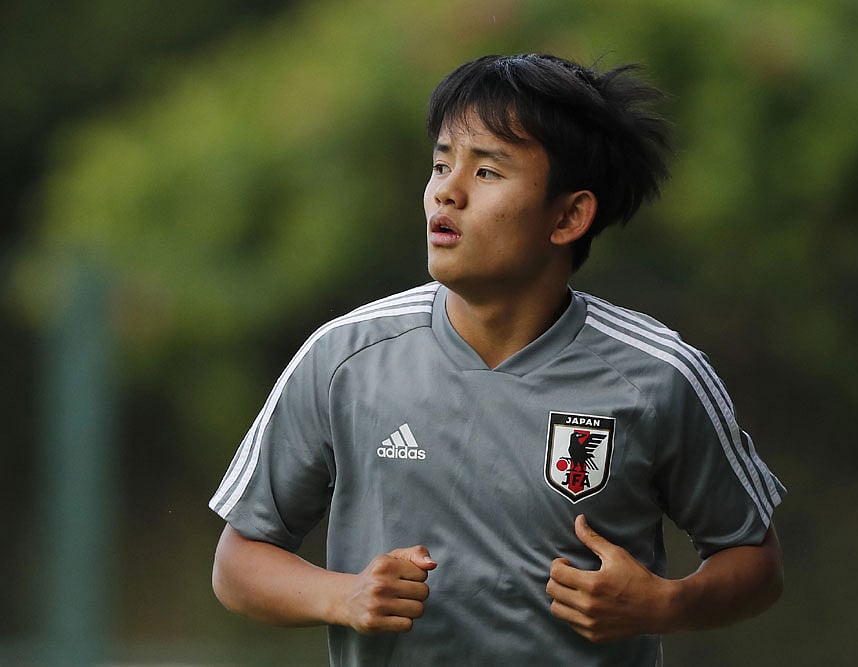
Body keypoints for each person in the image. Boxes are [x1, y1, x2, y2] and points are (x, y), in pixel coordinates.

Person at [210, 53, 786, 666]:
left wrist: (664, 604)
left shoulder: (660, 376)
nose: (446, 191)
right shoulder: (344, 357)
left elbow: (754, 561)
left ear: (568, 216)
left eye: (486, 171)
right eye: (441, 164)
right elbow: (238, 562)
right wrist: (344, 595)